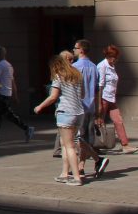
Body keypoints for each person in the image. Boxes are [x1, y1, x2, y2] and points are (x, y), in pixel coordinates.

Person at [36, 51, 101, 184]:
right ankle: (64, 174)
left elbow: (53, 97)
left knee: (69, 146)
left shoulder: (59, 77)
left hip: (66, 112)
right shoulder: (77, 75)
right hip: (79, 112)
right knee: (65, 144)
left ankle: (76, 177)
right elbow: (82, 94)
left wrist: (40, 107)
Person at [94, 44, 136, 155]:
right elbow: (100, 85)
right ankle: (94, 145)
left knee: (118, 120)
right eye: (113, 57)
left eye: (116, 57)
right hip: (103, 97)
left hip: (111, 98)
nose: (115, 60)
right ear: (108, 56)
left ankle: (125, 145)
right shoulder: (102, 66)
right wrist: (98, 103)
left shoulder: (111, 66)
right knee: (99, 121)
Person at [0, 45, 34, 144]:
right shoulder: (9, 65)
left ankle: (27, 128)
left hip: (1, 93)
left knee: (6, 115)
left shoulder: (0, 65)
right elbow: (12, 82)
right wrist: (15, 95)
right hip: (7, 93)